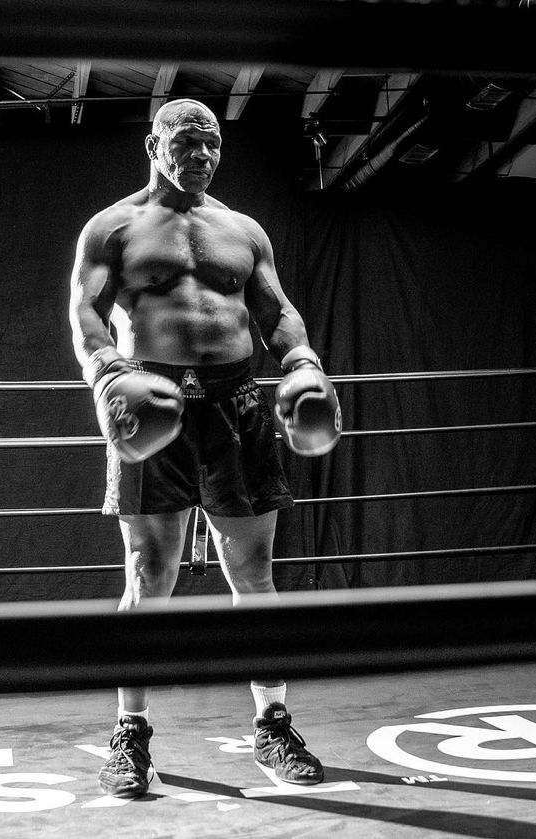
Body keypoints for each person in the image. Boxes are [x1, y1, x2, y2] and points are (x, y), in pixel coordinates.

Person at [69, 99, 339, 798]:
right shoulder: (113, 227)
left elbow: (277, 311)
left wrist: (303, 361)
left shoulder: (242, 230)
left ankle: (273, 725)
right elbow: (85, 312)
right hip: (152, 405)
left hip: (236, 407)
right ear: (153, 144)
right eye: (188, 141)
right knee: (148, 574)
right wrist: (107, 375)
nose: (203, 155)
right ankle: (130, 733)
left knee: (253, 572)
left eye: (213, 143)